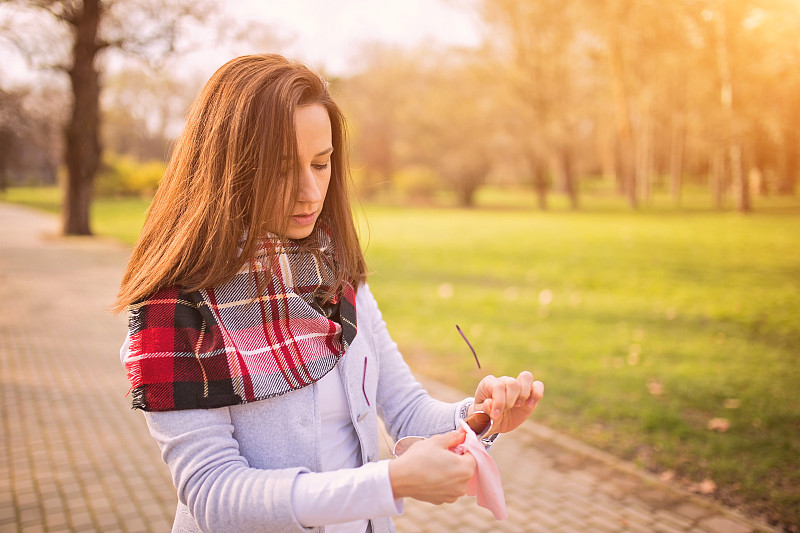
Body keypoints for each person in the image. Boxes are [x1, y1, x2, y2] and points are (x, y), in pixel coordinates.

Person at [114, 54, 544, 533]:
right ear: (226, 171)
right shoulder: (173, 311)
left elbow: (405, 411)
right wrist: (387, 483)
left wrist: (480, 415)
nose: (309, 191)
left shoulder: (337, 274)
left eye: (321, 164)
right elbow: (215, 495)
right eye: (280, 170)